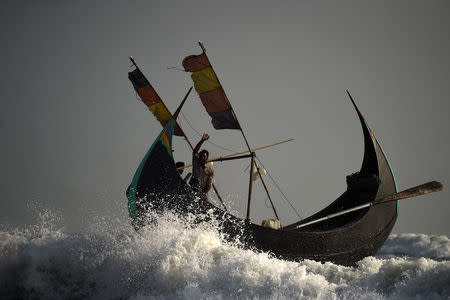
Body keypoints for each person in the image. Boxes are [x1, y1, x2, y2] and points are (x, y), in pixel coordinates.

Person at [189, 133, 214, 199]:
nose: (202, 158)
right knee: (195, 181)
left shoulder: (209, 169)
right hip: (193, 186)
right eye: (201, 156)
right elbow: (195, 151)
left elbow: (209, 185)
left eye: (204, 157)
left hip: (202, 191)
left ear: (207, 158)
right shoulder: (196, 161)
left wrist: (203, 193)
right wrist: (202, 140)